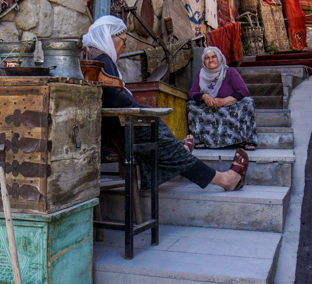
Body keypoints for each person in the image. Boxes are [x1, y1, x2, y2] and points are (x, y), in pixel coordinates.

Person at [82, 15, 247, 191]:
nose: (123, 47)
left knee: (160, 134)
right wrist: (142, 109)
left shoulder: (92, 55)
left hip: (111, 126)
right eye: (123, 41)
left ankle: (178, 153)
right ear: (110, 37)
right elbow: (113, 98)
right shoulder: (101, 58)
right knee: (157, 131)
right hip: (117, 130)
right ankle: (223, 179)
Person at [187, 47, 257, 150]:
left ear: (219, 58)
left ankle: (246, 139)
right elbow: (191, 93)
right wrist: (204, 96)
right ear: (203, 61)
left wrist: (224, 101)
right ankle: (201, 139)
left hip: (229, 109)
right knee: (191, 105)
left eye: (214, 57)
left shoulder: (229, 72)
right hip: (210, 110)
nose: (211, 60)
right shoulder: (200, 74)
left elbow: (243, 91)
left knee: (248, 102)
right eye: (207, 58)